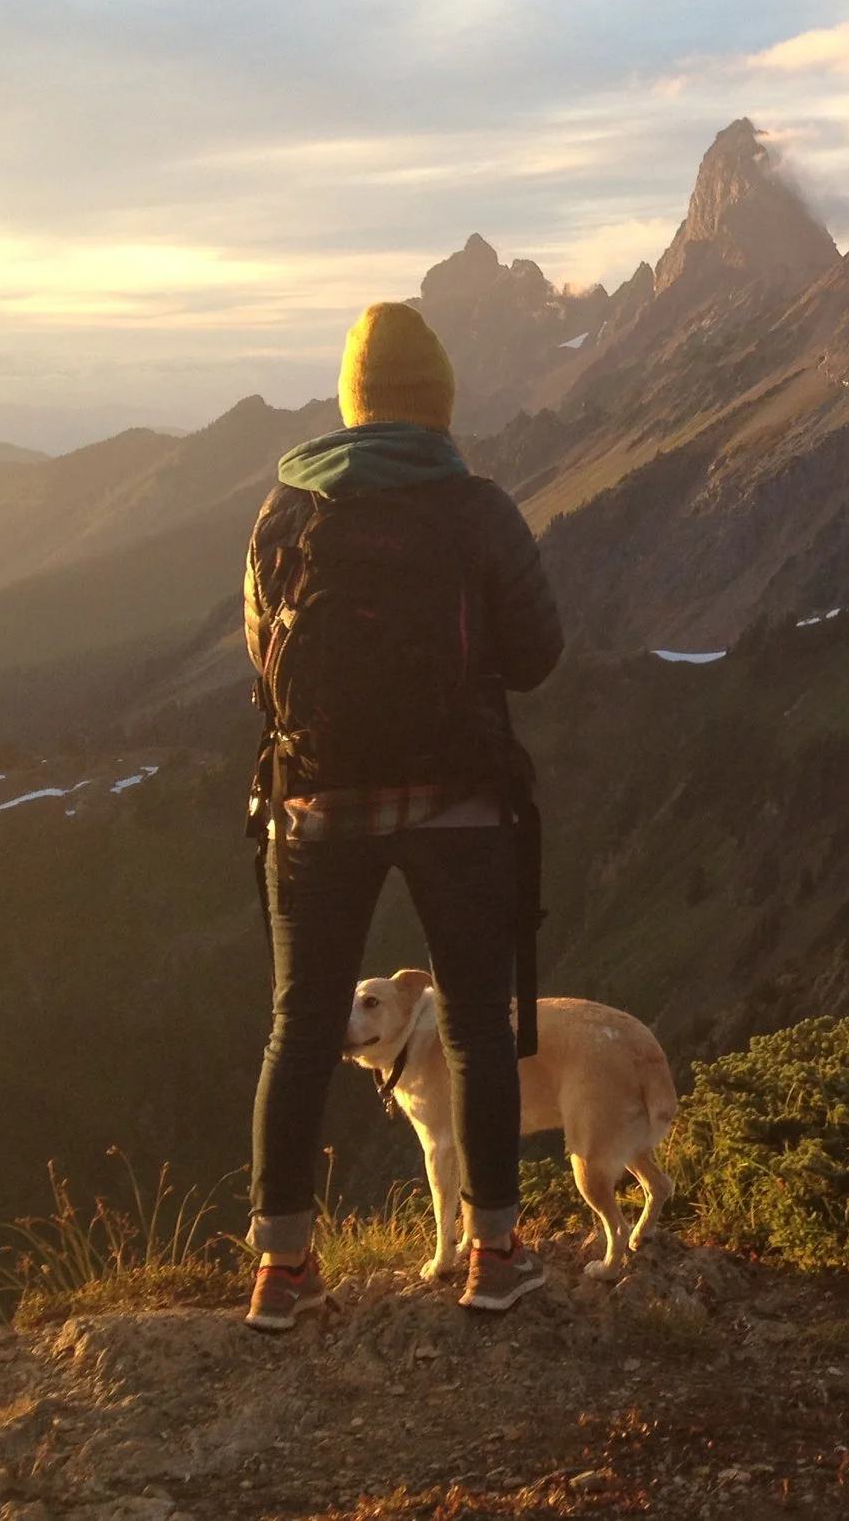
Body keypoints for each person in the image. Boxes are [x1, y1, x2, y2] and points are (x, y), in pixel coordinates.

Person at [240, 301, 564, 1330]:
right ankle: (496, 1256)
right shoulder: (477, 508)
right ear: (438, 404)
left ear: (351, 403)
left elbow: (262, 658)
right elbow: (540, 653)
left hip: (313, 800)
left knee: (299, 1026)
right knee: (475, 1025)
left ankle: (281, 1270)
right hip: (460, 801)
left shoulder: (283, 512)